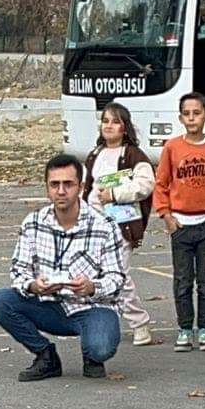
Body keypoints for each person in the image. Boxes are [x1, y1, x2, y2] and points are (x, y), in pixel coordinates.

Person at [0, 154, 127, 382]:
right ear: (47, 188)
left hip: (91, 306)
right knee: (0, 300)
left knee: (101, 348)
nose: (61, 191)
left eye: (68, 184)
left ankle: (92, 356)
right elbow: (18, 270)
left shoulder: (104, 225)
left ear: (81, 187)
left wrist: (92, 287)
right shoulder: (33, 222)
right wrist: (33, 286)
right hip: (48, 304)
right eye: (54, 184)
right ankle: (45, 355)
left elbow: (117, 277)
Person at [153, 91, 205, 350]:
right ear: (180, 118)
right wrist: (166, 216)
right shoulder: (172, 147)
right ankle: (185, 328)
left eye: (196, 113)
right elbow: (161, 184)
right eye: (186, 114)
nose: (191, 118)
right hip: (180, 224)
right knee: (182, 281)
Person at [83, 101, 156, 344]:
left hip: (121, 226)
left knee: (120, 276)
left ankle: (139, 324)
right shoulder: (95, 155)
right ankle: (102, 322)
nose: (109, 126)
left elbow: (145, 185)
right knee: (95, 275)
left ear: (125, 127)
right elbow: (86, 187)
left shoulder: (134, 156)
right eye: (105, 121)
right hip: (94, 226)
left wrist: (115, 194)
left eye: (115, 122)